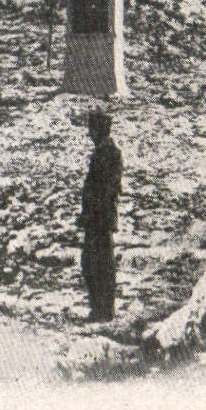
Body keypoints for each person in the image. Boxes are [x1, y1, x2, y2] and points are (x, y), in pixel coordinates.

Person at [78, 108, 123, 322]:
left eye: (92, 129)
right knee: (94, 264)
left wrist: (92, 212)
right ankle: (101, 310)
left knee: (98, 265)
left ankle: (103, 311)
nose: (89, 134)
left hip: (99, 219)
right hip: (97, 218)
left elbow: (104, 189)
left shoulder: (108, 154)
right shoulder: (105, 152)